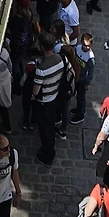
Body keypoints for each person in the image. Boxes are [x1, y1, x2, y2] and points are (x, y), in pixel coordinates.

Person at [33, 35, 66, 167]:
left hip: (44, 102)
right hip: (54, 97)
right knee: (50, 126)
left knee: (44, 129)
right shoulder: (60, 59)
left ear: (42, 47)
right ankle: (50, 148)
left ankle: (48, 154)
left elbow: (35, 91)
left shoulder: (41, 69)